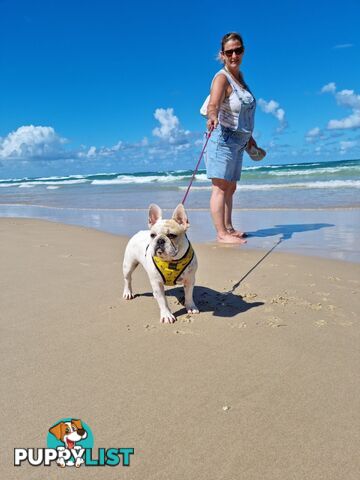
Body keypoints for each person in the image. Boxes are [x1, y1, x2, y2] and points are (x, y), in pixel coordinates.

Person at [204, 32, 265, 244]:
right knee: (220, 186)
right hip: (223, 138)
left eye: (237, 50)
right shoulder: (222, 78)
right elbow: (213, 105)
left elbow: (244, 114)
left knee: (231, 187)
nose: (234, 55)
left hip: (240, 141)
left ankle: (228, 228)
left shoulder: (241, 80)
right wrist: (212, 117)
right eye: (229, 52)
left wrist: (250, 140)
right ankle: (221, 234)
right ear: (222, 55)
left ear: (243, 51)